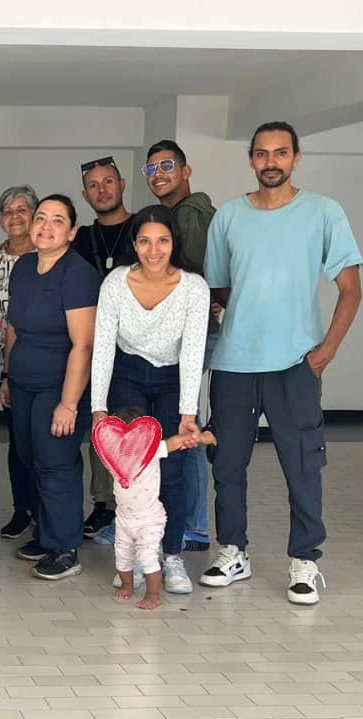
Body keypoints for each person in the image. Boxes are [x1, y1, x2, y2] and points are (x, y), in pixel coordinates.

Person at [200, 121, 363, 605]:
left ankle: (305, 560)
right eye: (262, 153)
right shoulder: (228, 217)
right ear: (251, 159)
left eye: (280, 153)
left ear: (296, 158)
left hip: (295, 363)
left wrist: (326, 350)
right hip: (234, 362)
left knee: (302, 464)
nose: (270, 162)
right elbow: (218, 286)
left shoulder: (323, 212)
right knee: (227, 464)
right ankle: (233, 551)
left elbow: (351, 289)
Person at [90, 205, 212, 595]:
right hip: (127, 374)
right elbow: (103, 347)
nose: (153, 250)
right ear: (134, 243)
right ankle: (133, 560)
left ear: (174, 243)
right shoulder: (116, 282)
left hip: (173, 378)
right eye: (144, 241)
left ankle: (171, 555)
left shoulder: (194, 287)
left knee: (172, 470)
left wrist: (188, 412)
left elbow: (193, 351)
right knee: (130, 468)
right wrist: (98, 408)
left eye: (162, 241)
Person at [0, 194, 100, 580]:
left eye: (58, 220)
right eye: (41, 217)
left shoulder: (77, 274)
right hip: (23, 382)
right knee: (29, 457)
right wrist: (7, 376)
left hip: (59, 387)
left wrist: (69, 404)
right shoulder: (24, 267)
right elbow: (13, 328)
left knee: (55, 462)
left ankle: (65, 547)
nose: (46, 226)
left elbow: (83, 345)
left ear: (72, 232)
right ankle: (46, 534)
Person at [144, 139, 220, 551]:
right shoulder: (176, 215)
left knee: (184, 424)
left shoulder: (190, 216)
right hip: (177, 336)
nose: (158, 174)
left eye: (167, 166)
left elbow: (192, 279)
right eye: (151, 168)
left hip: (189, 336)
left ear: (186, 171)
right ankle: (183, 520)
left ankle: (192, 524)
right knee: (180, 420)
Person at [73, 156, 137, 542]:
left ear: (122, 184)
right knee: (100, 425)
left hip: (137, 347)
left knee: (132, 425)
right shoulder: (81, 238)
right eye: (94, 185)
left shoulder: (142, 229)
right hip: (95, 346)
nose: (102, 190)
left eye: (108, 181)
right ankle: (103, 505)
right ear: (85, 195)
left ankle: (135, 505)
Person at [104, 407, 216, 610]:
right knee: (122, 557)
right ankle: (128, 586)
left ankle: (153, 595)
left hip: (150, 519)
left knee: (148, 558)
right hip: (124, 519)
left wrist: (202, 438)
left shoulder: (151, 450)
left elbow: (176, 442)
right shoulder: (114, 457)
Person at [0, 185, 38, 539]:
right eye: (8, 211)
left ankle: (46, 510)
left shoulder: (46, 255)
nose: (15, 217)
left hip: (40, 359)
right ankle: (22, 509)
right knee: (17, 439)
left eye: (22, 210)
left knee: (41, 439)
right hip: (5, 364)